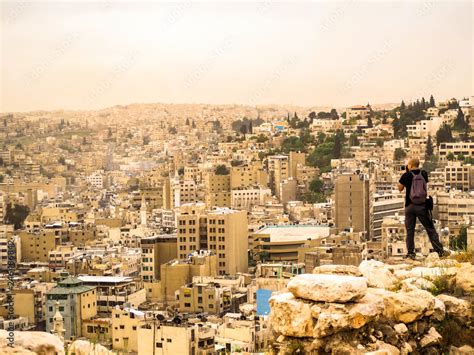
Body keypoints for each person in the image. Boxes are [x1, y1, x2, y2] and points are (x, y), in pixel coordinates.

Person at [398, 158, 449, 260]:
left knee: (410, 230)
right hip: (422, 206)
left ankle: (411, 253)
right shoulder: (424, 174)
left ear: (410, 165)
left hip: (410, 206)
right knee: (430, 228)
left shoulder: (406, 175)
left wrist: (406, 173)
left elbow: (400, 188)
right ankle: (440, 251)